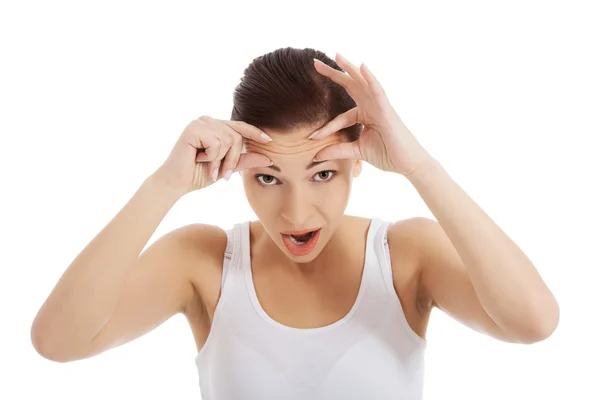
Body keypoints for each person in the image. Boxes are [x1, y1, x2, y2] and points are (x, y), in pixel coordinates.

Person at [30, 47, 559, 399]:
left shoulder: (405, 256)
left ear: (359, 159)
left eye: (323, 172)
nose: (297, 212)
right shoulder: (204, 262)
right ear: (236, 169)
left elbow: (533, 322)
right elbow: (57, 342)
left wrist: (418, 165)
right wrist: (165, 185)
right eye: (268, 178)